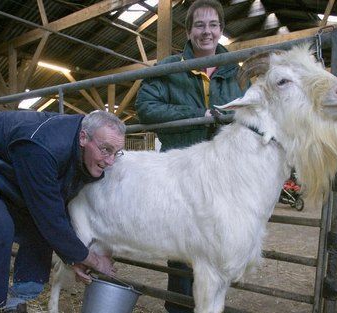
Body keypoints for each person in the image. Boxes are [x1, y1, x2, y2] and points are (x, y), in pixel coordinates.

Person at [0, 110, 125, 313]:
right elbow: (50, 217)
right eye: (105, 150)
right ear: (84, 138)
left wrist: (74, 257)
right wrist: (88, 258)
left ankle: (19, 298)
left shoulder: (78, 150)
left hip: (3, 161)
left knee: (37, 223)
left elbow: (53, 210)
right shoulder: (43, 148)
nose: (111, 161)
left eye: (116, 152)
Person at [134, 0, 249, 312]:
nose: (207, 31)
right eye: (200, 25)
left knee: (220, 246)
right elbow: (146, 108)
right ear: (188, 31)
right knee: (183, 249)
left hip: (226, 178)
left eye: (213, 25)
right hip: (183, 175)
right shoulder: (169, 69)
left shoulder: (237, 73)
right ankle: (179, 308)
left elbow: (252, 116)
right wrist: (200, 115)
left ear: (222, 30)